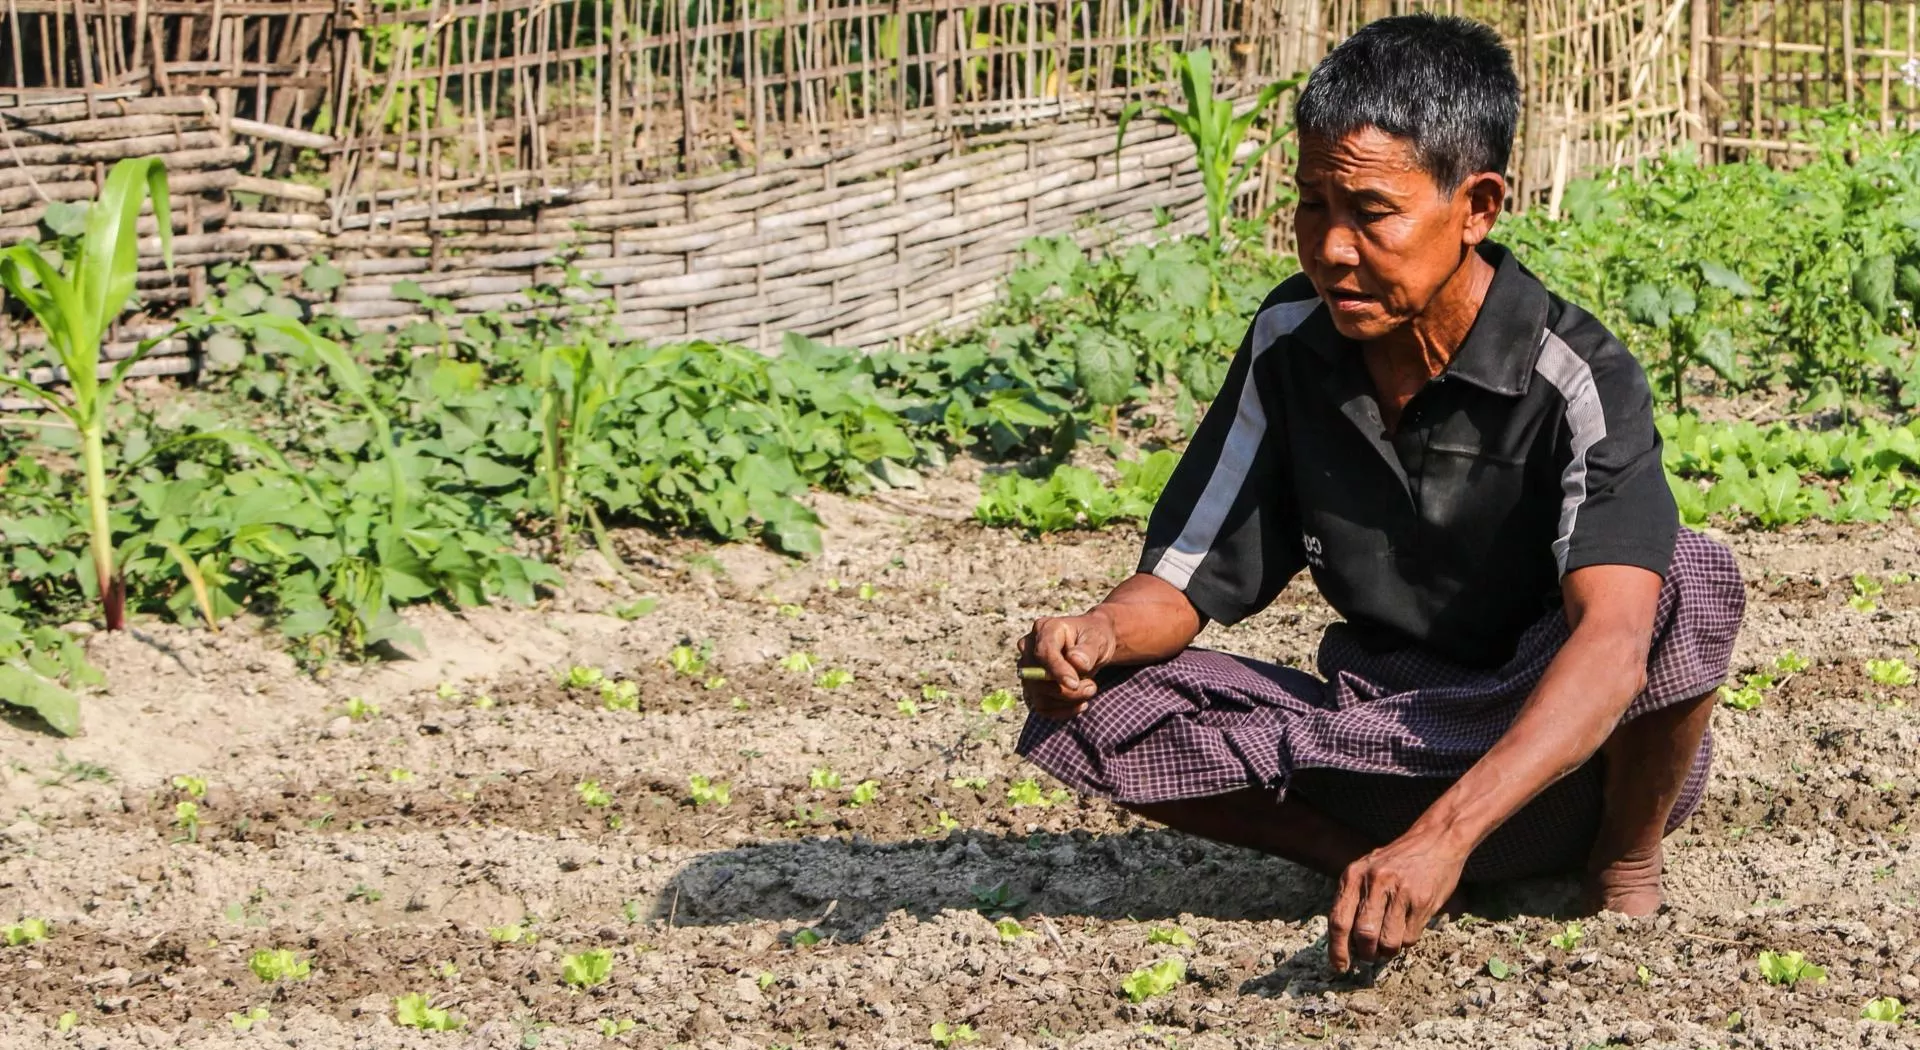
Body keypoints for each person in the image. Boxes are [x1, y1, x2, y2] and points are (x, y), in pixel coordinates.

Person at [1013, 14, 1745, 975]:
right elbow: (1182, 581)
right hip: (1378, 743)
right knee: (1093, 698)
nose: (1331, 247)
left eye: (1370, 211)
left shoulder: (1574, 375)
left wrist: (1448, 834)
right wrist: (1096, 634)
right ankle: (1360, 865)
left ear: (1477, 207)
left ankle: (1624, 862)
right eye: (1312, 204)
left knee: (1686, 580)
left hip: (1557, 772)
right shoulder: (1290, 344)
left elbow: (1612, 646)